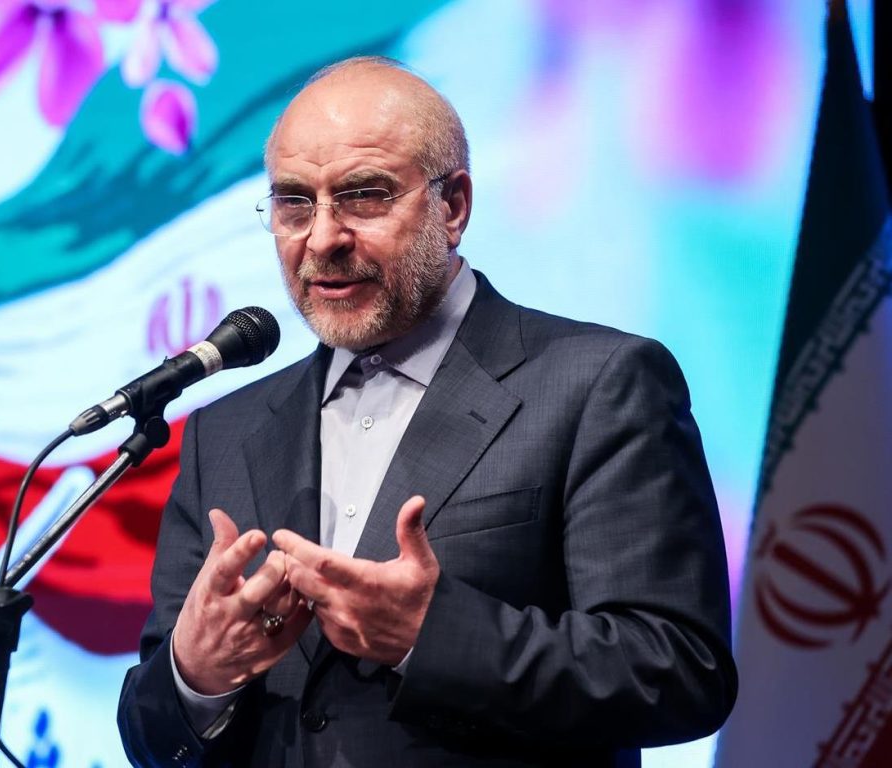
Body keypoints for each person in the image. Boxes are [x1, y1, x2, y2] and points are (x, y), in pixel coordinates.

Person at [117, 56, 737, 768]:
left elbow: (679, 671)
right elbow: (150, 739)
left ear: (453, 206)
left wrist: (431, 637)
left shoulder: (598, 383)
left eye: (364, 196)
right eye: (295, 204)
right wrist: (196, 678)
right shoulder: (223, 432)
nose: (322, 238)